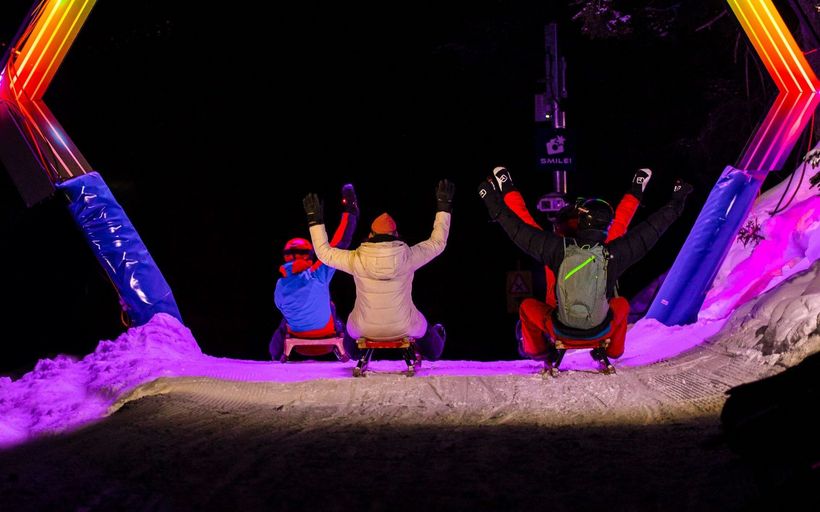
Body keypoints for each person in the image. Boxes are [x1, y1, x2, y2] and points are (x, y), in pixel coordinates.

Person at [478, 174, 692, 363]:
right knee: (621, 304)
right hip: (600, 331)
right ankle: (613, 351)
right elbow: (641, 227)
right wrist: (647, 193)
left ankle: (542, 353)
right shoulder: (610, 251)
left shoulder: (555, 249)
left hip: (560, 328)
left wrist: (503, 191)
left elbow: (521, 225)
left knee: (527, 307)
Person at [302, 180, 455, 361]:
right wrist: (444, 206)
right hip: (404, 325)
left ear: (371, 235)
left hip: (364, 327)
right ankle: (433, 348)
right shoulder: (408, 257)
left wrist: (315, 220)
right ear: (395, 234)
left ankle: (354, 353)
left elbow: (323, 253)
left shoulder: (357, 259)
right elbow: (438, 243)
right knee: (426, 332)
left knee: (349, 331)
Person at [269, 183, 359, 360]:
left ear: (286, 257)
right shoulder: (317, 274)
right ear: (309, 255)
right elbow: (340, 242)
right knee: (330, 306)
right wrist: (351, 211)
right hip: (326, 340)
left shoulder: (280, 284)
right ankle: (350, 352)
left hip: (297, 343)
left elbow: (282, 307)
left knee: (287, 316)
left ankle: (275, 356)